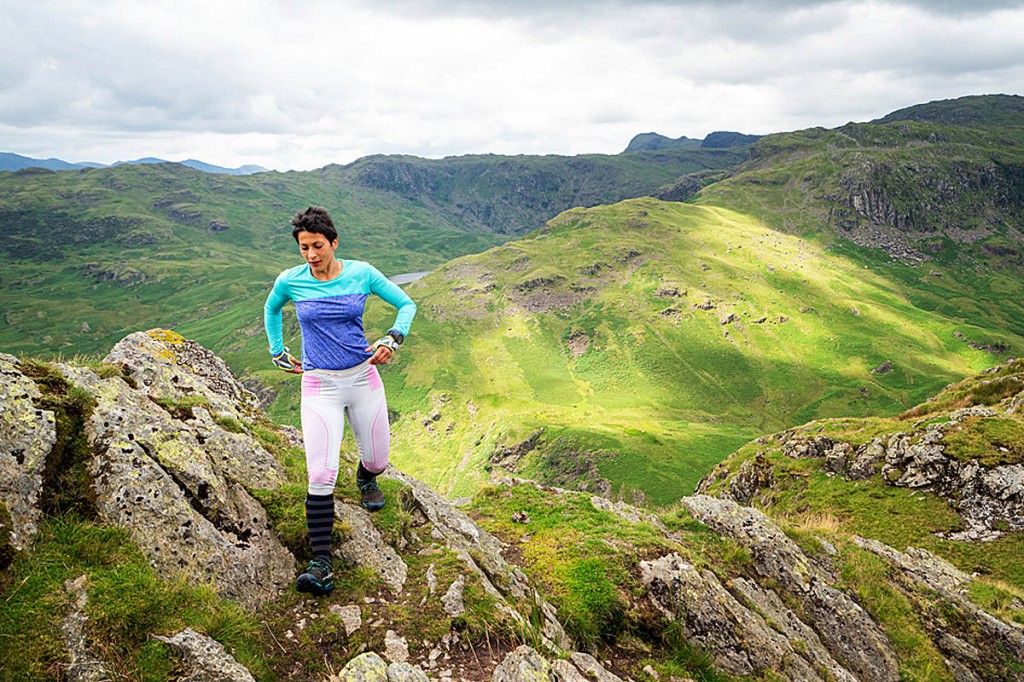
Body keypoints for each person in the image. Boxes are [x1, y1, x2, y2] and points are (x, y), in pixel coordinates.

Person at [263, 205, 416, 596]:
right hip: (319, 384)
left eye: (317, 246)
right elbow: (272, 308)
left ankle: (366, 477)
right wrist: (277, 350)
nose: (311, 255)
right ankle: (321, 563)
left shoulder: (361, 273)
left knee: (378, 459)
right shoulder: (291, 281)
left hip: (363, 377)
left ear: (334, 242)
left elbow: (406, 304)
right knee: (320, 474)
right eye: (303, 248)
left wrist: (392, 338)